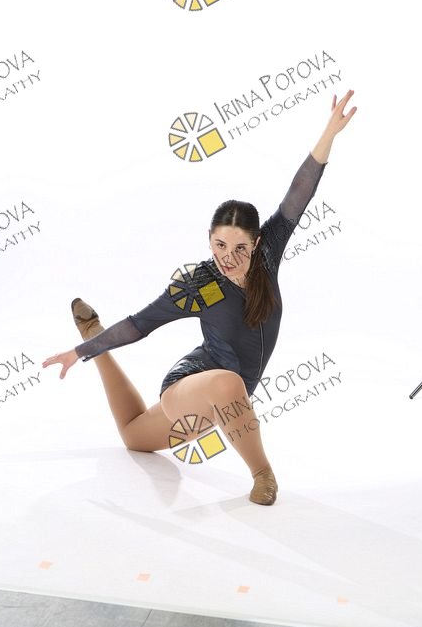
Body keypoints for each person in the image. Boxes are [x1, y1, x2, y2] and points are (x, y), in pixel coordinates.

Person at [42, 90, 357, 505]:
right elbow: (140, 324)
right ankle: (263, 475)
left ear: (256, 242)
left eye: (240, 247)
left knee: (134, 436)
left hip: (225, 405)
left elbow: (299, 193)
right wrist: (78, 353)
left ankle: (93, 331)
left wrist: (329, 133)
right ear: (209, 241)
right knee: (227, 382)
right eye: (219, 246)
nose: (229, 258)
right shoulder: (200, 284)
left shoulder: (267, 257)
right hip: (191, 386)